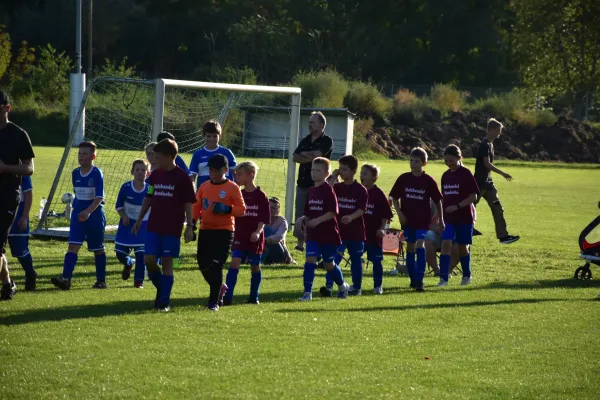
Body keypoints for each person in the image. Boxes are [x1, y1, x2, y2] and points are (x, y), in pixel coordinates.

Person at [132, 139, 196, 312]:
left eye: (158, 157)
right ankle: (162, 288)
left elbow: (188, 204)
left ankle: (164, 301)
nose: (155, 160)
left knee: (168, 262)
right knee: (149, 259)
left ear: (169, 156)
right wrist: (139, 219)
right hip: (154, 225)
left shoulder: (182, 177)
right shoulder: (155, 175)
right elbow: (149, 197)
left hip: (172, 228)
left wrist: (189, 226)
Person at [193, 154, 245, 312]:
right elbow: (197, 207)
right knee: (203, 264)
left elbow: (242, 210)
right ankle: (220, 287)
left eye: (217, 170)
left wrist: (227, 209)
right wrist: (191, 224)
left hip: (224, 231)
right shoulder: (204, 186)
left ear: (226, 170)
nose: (213, 172)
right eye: (211, 169)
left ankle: (214, 301)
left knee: (216, 265)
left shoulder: (232, 187)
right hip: (205, 230)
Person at [51, 141, 106, 290]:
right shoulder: (75, 173)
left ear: (93, 156)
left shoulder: (96, 173)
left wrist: (88, 212)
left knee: (98, 249)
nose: (81, 156)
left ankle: (101, 281)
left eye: (85, 153)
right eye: (79, 153)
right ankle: (66, 279)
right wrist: (79, 211)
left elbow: (99, 197)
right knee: (73, 245)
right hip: (78, 216)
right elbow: (78, 194)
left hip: (94, 216)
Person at [389, 147, 443, 292]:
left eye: (417, 161)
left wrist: (441, 219)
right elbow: (394, 197)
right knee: (410, 247)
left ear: (424, 163)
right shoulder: (403, 178)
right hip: (407, 221)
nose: (413, 164)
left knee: (420, 244)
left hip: (423, 221)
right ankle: (413, 279)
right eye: (411, 160)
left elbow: (438, 201)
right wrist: (399, 213)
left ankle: (420, 280)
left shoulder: (428, 181)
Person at [0, 91, 35, 300]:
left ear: (7, 108)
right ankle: (8, 283)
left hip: (6, 196)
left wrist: (4, 168)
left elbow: (29, 168)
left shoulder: (18, 134)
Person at [299, 157, 349, 301]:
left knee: (329, 264)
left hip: (328, 234)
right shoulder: (311, 191)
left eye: (318, 170)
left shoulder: (328, 190)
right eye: (313, 170)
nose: (314, 173)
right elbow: (308, 214)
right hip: (314, 235)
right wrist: (307, 231)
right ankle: (307, 293)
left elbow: (333, 212)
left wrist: (318, 220)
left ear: (326, 173)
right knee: (310, 260)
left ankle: (342, 285)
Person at [223, 161, 270, 305]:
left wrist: (257, 232)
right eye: (236, 175)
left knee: (255, 265)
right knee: (235, 262)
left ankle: (253, 297)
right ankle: (227, 297)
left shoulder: (261, 196)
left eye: (240, 175)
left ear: (251, 175)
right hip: (240, 235)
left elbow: (263, 219)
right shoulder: (238, 194)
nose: (237, 178)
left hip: (254, 236)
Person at [321, 155, 367, 297]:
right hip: (338, 231)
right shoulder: (337, 187)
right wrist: (334, 177)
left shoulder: (360, 189)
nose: (341, 171)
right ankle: (329, 286)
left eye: (344, 169)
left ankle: (357, 287)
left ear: (353, 171)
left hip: (355, 231)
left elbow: (361, 209)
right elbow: (325, 191)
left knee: (355, 261)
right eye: (340, 168)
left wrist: (351, 217)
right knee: (333, 259)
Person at [438, 145, 480, 287]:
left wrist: (457, 206)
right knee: (446, 244)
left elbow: (473, 196)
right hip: (448, 218)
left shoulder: (466, 174)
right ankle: (443, 278)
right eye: (446, 161)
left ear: (459, 158)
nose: (449, 163)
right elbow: (443, 196)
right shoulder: (445, 175)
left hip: (464, 217)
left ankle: (467, 274)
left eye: (451, 161)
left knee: (462, 247)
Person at [474, 118, 520, 245]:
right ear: (490, 130)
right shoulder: (484, 144)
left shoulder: (491, 144)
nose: (499, 133)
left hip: (488, 183)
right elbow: (486, 164)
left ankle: (503, 236)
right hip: (479, 183)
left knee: (497, 208)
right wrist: (503, 173)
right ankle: (466, 229)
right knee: (470, 207)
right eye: (497, 130)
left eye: (500, 130)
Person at [292, 111, 333, 251]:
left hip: (318, 185)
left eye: (313, 122)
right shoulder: (305, 139)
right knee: (301, 213)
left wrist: (306, 155)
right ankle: (300, 243)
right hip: (303, 182)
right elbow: (295, 157)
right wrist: (310, 157)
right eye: (309, 122)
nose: (309, 124)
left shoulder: (327, 140)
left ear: (321, 125)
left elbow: (319, 155)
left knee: (316, 213)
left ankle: (315, 241)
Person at [115, 159, 149, 288]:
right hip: (127, 225)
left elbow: (154, 205)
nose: (140, 172)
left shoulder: (151, 189)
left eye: (143, 170)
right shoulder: (126, 187)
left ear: (148, 173)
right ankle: (129, 262)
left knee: (141, 255)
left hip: (143, 225)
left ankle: (138, 281)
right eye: (137, 170)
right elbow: (118, 205)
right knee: (120, 253)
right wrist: (124, 216)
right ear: (132, 172)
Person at [360, 164, 393, 294]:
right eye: (361, 173)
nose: (362, 175)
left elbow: (386, 215)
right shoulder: (358, 190)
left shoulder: (378, 194)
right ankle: (357, 284)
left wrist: (382, 229)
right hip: (359, 234)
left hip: (374, 235)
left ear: (374, 177)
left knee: (376, 261)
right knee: (357, 259)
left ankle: (378, 286)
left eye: (365, 174)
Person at [8, 175, 36, 291]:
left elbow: (28, 195)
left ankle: (30, 274)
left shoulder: (22, 171)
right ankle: (7, 282)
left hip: (18, 216)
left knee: (19, 250)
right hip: (4, 212)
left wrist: (24, 216)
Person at [189, 120, 237, 190]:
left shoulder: (227, 153)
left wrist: (236, 190)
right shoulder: (198, 154)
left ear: (220, 136)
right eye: (208, 136)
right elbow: (192, 176)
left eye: (215, 136)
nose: (212, 139)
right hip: (205, 193)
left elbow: (235, 174)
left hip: (225, 193)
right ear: (204, 136)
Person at [261, 197, 294, 265]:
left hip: (276, 250)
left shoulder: (282, 221)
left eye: (273, 208)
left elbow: (279, 236)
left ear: (278, 210)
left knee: (268, 231)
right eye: (269, 207)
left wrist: (263, 241)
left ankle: (260, 259)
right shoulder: (261, 219)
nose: (270, 210)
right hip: (261, 247)